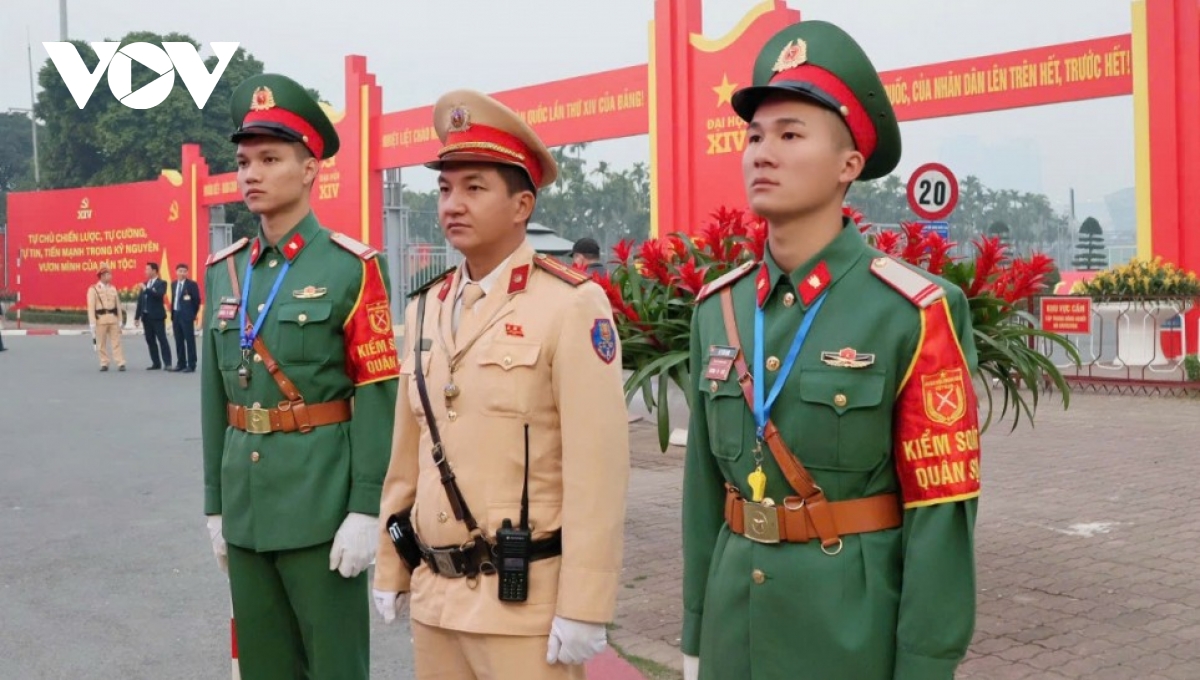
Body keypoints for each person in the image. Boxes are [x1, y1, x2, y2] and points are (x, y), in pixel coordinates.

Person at [681, 21, 981, 680]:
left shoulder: (912, 312)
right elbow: (705, 492)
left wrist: (925, 666)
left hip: (848, 636)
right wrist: (697, 636)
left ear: (849, 165)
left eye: (790, 135)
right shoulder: (718, 309)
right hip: (736, 628)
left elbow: (941, 519)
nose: (763, 152)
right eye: (754, 136)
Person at [372, 89, 630, 680]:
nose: (452, 204)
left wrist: (585, 606)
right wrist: (392, 564)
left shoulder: (571, 304)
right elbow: (406, 456)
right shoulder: (427, 307)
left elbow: (599, 469)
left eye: (474, 187)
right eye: (444, 188)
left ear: (522, 205)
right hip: (437, 598)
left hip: (523, 610)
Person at [200, 73, 400, 680]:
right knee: (262, 669)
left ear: (310, 168)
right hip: (246, 507)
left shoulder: (351, 268)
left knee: (334, 668)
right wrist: (215, 505)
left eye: (270, 158)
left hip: (322, 509)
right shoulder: (226, 271)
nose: (251, 174)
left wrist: (368, 509)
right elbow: (215, 396)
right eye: (242, 161)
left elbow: (377, 394)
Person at [86, 264, 126, 371]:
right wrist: (92, 323)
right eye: (108, 274)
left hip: (113, 318)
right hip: (101, 319)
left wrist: (120, 319)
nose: (110, 276)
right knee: (101, 343)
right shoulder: (93, 289)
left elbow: (118, 305)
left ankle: (120, 362)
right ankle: (104, 362)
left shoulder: (113, 288)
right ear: (102, 276)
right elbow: (91, 307)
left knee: (116, 342)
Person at [134, 262, 172, 370]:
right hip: (146, 317)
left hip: (157, 317)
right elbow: (140, 301)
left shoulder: (161, 283)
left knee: (162, 339)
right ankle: (156, 363)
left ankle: (167, 363)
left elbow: (159, 295)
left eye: (147, 269)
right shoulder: (145, 284)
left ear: (154, 271)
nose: (145, 271)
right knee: (150, 340)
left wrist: (146, 289)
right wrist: (137, 317)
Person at [168, 263, 202, 373]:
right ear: (176, 272)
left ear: (187, 272)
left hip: (187, 316)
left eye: (184, 271)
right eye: (180, 271)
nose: (182, 273)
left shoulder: (191, 284)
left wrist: (192, 313)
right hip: (176, 315)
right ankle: (180, 363)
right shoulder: (173, 284)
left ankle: (191, 364)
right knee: (178, 340)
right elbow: (174, 299)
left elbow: (197, 301)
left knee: (189, 340)